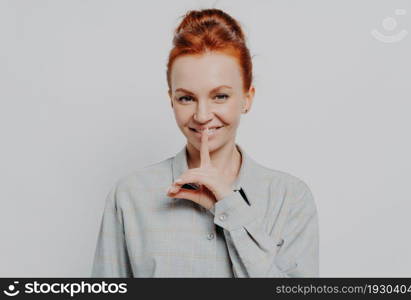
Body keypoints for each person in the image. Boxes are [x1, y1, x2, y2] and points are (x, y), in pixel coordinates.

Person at [91, 8, 319, 278]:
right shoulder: (131, 196)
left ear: (247, 98)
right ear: (171, 100)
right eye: (186, 98)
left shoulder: (290, 198)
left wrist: (229, 206)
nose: (201, 115)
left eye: (220, 96)